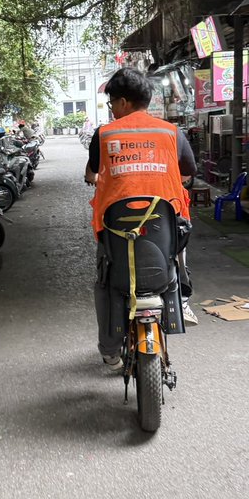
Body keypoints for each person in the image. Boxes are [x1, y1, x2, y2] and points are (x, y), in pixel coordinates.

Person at [85, 67, 198, 369]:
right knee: (175, 260)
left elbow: (91, 174)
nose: (111, 111)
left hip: (116, 231)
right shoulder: (171, 133)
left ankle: (109, 349)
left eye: (111, 104)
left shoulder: (105, 134)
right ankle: (181, 303)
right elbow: (189, 171)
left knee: (106, 282)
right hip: (165, 227)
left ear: (122, 102)